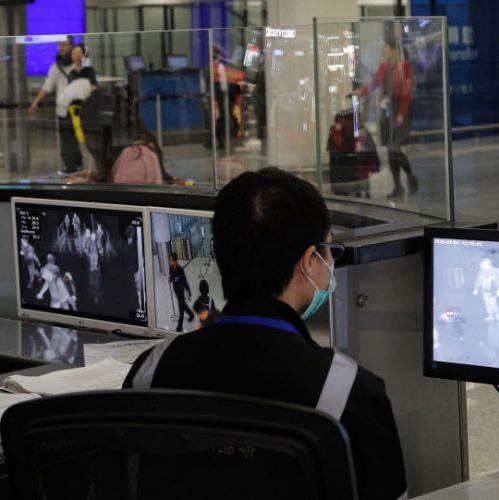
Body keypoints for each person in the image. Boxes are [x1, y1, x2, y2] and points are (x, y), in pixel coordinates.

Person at [123, 168, 407, 499]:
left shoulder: (152, 371)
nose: (330, 261)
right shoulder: (349, 393)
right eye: (330, 249)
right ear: (309, 260)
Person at [355, 37, 418, 199]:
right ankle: (398, 186)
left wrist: (401, 114)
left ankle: (410, 177)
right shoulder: (384, 67)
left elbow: (407, 94)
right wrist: (360, 91)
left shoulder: (405, 67)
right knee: (391, 150)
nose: (384, 51)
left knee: (395, 148)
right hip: (388, 111)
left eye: (386, 48)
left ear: (394, 50)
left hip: (401, 111)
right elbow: (374, 84)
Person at [28, 36, 82, 173]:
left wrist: (82, 51)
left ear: (71, 46)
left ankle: (80, 163)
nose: (61, 47)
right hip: (63, 109)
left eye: (64, 44)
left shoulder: (80, 65)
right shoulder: (56, 67)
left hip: (80, 108)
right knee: (66, 139)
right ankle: (70, 166)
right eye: (59, 44)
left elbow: (88, 57)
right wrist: (36, 102)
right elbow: (47, 87)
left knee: (81, 137)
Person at [169, 252, 194, 332]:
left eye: (171, 260)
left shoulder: (180, 270)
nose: (170, 261)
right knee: (183, 305)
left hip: (181, 290)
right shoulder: (171, 267)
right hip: (176, 290)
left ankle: (180, 326)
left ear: (175, 260)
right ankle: (191, 314)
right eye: (170, 260)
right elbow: (171, 276)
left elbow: (185, 281)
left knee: (181, 308)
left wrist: (189, 291)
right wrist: (171, 279)